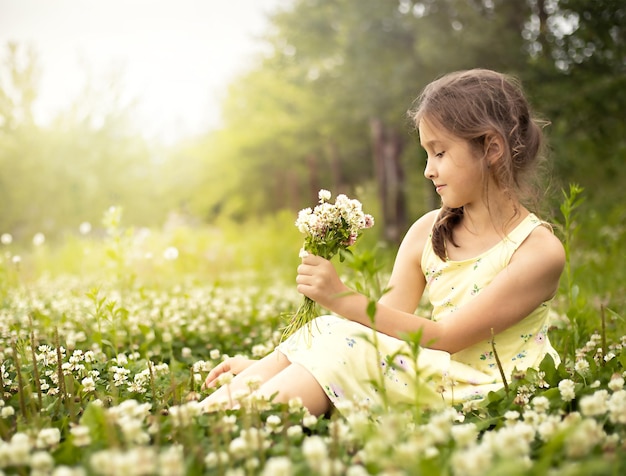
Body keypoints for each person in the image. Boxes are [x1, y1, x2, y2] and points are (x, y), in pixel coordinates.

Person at [200, 69, 565, 417]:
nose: (428, 169)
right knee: (330, 333)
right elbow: (373, 329)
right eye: (426, 153)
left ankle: (224, 424)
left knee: (336, 331)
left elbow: (446, 337)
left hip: (492, 391)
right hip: (436, 377)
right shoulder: (428, 231)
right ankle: (206, 416)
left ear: (492, 148)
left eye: (439, 152)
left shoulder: (537, 251)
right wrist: (281, 361)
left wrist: (341, 298)